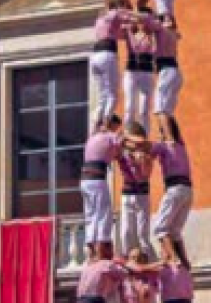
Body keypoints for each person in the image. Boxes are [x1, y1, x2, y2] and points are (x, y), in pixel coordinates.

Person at [147, 114, 194, 269]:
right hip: (187, 190)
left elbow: (147, 150)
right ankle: (185, 263)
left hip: (175, 189)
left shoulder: (164, 145)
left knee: (160, 228)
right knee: (175, 232)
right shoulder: (181, 145)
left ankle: (174, 260)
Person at [81, 115, 122, 262]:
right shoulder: (110, 135)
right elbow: (120, 150)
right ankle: (99, 253)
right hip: (97, 179)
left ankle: (91, 253)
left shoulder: (92, 137)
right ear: (113, 125)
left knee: (91, 215)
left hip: (85, 180)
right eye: (117, 127)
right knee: (103, 214)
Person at [90, 0, 134, 131]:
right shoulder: (115, 14)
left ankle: (96, 125)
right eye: (125, 5)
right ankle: (105, 124)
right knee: (113, 95)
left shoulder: (101, 18)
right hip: (107, 54)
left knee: (103, 95)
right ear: (119, 5)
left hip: (95, 56)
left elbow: (119, 34)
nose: (127, 8)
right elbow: (130, 17)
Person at [116, 121, 155, 262]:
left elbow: (144, 177)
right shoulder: (122, 153)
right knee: (125, 233)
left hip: (141, 195)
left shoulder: (146, 154)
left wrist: (142, 162)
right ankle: (129, 266)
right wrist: (127, 145)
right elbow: (117, 141)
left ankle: (151, 264)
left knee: (142, 235)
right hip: (126, 195)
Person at [122, 10, 161, 131]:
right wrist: (130, 23)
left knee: (144, 109)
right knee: (129, 106)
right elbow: (122, 17)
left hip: (146, 72)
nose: (142, 24)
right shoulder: (129, 32)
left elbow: (155, 51)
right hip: (131, 71)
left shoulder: (152, 36)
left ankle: (145, 135)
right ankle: (127, 133)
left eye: (144, 21)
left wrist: (152, 33)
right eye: (140, 21)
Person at [153, 21, 183, 115]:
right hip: (175, 72)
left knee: (160, 109)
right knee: (168, 111)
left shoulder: (164, 32)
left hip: (167, 71)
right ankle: (167, 129)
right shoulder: (172, 35)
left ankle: (165, 129)